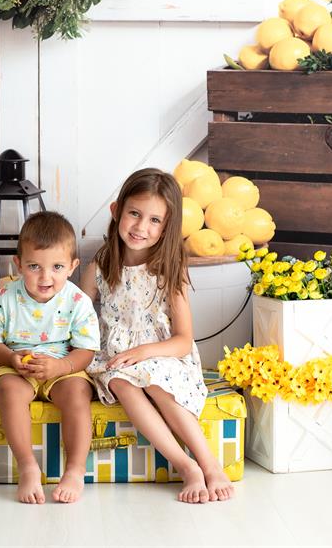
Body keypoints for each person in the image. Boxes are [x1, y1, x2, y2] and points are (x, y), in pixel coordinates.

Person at [80, 168, 234, 504]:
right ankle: (186, 466)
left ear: (166, 227)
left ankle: (209, 464)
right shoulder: (99, 268)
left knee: (152, 378)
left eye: (154, 220)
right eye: (134, 214)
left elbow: (183, 339)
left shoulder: (168, 269)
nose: (141, 227)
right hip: (116, 360)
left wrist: (146, 351)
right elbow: (75, 319)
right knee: (121, 380)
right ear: (116, 210)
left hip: (164, 356)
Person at [0, 211, 100, 504]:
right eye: (34, 266)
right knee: (7, 390)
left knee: (78, 393)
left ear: (72, 267)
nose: (46, 277)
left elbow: (86, 351)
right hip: (16, 367)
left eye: (57, 267)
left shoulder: (77, 301)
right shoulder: (6, 297)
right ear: (18, 264)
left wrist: (62, 366)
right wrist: (10, 358)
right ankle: (27, 465)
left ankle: (75, 469)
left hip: (62, 367)